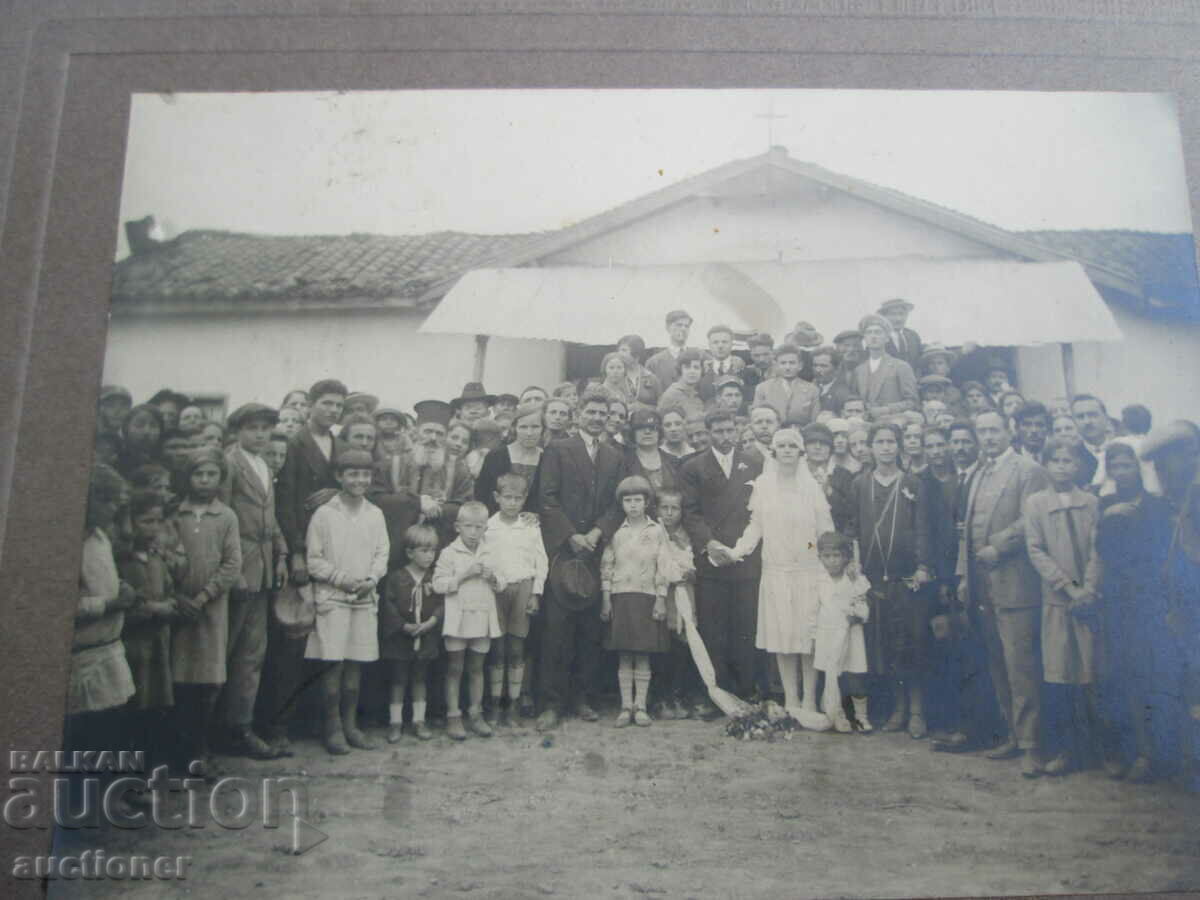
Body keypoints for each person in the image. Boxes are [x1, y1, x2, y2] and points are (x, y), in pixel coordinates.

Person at [957, 411, 1051, 777]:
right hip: (984, 587)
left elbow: (1031, 518)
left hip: (1016, 584)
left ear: (1009, 431)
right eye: (982, 431)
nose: (988, 437)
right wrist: (964, 576)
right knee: (997, 664)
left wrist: (1000, 546)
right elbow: (965, 532)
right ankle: (1014, 734)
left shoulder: (1028, 470)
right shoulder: (979, 472)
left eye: (994, 430)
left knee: (1022, 667)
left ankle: (1033, 746)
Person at [535, 386, 628, 730]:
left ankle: (583, 698)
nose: (597, 418)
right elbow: (546, 498)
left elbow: (616, 505)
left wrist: (596, 534)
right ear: (579, 414)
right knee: (557, 630)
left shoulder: (614, 456)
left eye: (602, 414)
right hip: (564, 549)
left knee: (590, 630)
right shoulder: (558, 449)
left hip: (595, 550)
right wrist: (571, 535)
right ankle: (551, 703)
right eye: (591, 412)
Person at [729, 428, 834, 727]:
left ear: (800, 452)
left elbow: (823, 530)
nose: (787, 450)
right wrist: (738, 550)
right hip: (775, 571)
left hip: (807, 571)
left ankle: (810, 699)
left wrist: (810, 551)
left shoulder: (811, 486)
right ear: (773, 452)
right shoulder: (763, 485)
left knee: (807, 638)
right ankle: (791, 699)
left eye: (792, 446)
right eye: (781, 446)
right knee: (782, 636)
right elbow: (756, 525)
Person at [268, 378, 349, 752]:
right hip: (303, 545)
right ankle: (279, 726)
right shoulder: (295, 443)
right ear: (311, 405)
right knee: (293, 640)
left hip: (334, 550)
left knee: (329, 639)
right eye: (327, 403)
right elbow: (284, 501)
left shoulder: (340, 444)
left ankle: (325, 723)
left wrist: (336, 491)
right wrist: (296, 552)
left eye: (338, 406)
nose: (333, 411)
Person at [1024, 437, 1105, 777]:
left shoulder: (1090, 502)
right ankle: (1064, 750)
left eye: (1068, 460)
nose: (1061, 466)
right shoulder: (1035, 503)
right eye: (1055, 460)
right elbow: (1036, 549)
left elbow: (1097, 548)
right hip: (1058, 601)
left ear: (1080, 466)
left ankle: (1100, 750)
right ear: (1046, 464)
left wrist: (1088, 587)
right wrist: (1068, 587)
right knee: (1060, 675)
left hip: (1090, 600)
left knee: (1092, 673)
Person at [846, 423, 934, 738]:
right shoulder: (861, 484)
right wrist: (854, 562)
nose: (885, 447)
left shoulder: (913, 483)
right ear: (870, 446)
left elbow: (923, 527)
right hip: (874, 579)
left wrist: (923, 565)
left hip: (906, 577)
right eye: (879, 442)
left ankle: (916, 711)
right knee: (886, 647)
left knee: (912, 643)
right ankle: (896, 708)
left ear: (899, 447)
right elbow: (853, 527)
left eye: (891, 442)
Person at [215, 403, 290, 760]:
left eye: (266, 428)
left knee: (252, 655)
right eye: (253, 428)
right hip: (238, 569)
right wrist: (234, 571)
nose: (260, 434)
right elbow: (224, 517)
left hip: (262, 569)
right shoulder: (230, 463)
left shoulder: (263, 464)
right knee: (223, 653)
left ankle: (240, 727)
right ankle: (209, 734)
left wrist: (282, 553)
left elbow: (270, 517)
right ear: (238, 430)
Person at [1096, 441, 1174, 782]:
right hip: (1117, 602)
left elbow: (1163, 553)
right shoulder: (1105, 503)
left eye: (1126, 465)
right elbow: (1101, 553)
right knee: (1123, 677)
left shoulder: (1157, 506)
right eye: (1115, 467)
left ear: (1137, 469)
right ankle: (1136, 752)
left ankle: (1163, 754)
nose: (1121, 472)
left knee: (1155, 676)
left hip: (1150, 601)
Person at [304, 448, 389, 754]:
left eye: (365, 474)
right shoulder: (325, 514)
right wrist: (342, 579)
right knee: (333, 665)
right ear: (339, 476)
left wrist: (371, 580)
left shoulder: (375, 514)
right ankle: (332, 727)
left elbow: (382, 555)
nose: (359, 480)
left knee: (356, 667)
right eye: (352, 474)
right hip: (332, 599)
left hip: (364, 599)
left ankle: (350, 724)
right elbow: (313, 561)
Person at [681, 409, 764, 701]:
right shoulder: (694, 467)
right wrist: (710, 544)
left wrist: (742, 548)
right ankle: (717, 693)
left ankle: (746, 689)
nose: (725, 437)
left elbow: (760, 511)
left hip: (745, 557)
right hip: (712, 559)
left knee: (745, 625)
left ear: (738, 431)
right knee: (713, 627)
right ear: (708, 433)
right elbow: (690, 513)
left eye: (730, 430)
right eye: (718, 431)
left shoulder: (755, 463)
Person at [66, 464, 137, 792]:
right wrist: (108, 604)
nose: (113, 510)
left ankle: (109, 792)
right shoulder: (66, 541)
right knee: (83, 732)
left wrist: (120, 588)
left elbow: (103, 579)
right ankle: (80, 800)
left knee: (113, 723)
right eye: (108, 502)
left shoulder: (99, 536)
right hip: (82, 656)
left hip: (109, 648)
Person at [172, 448, 243, 773]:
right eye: (198, 474)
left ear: (220, 478)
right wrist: (178, 598)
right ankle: (178, 751)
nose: (204, 480)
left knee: (208, 682)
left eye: (211, 474)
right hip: (177, 612)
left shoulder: (226, 516)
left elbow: (231, 564)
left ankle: (202, 749)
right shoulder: (176, 514)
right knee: (178, 679)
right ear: (188, 477)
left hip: (211, 611)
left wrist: (203, 598)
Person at [600, 475, 673, 726]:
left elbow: (663, 566)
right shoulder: (616, 533)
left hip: (647, 597)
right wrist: (606, 599)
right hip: (621, 596)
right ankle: (625, 706)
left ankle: (641, 706)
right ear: (621, 504)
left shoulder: (656, 531)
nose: (632, 505)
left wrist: (661, 599)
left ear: (646, 502)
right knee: (624, 654)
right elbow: (607, 565)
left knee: (642, 654)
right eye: (628, 500)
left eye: (637, 500)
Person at [119, 489, 179, 774]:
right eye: (146, 521)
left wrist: (169, 604)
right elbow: (127, 607)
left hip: (157, 645)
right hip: (134, 646)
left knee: (155, 707)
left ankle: (148, 770)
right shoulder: (124, 561)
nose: (153, 528)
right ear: (130, 522)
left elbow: (169, 589)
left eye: (157, 521)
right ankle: (129, 776)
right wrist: (155, 609)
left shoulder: (157, 558)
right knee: (133, 709)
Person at [433, 501, 504, 740]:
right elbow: (438, 584)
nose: (474, 532)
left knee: (476, 668)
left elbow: (502, 582)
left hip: (482, 617)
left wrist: (492, 577)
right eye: (469, 526)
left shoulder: (491, 550)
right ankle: (453, 716)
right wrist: (464, 575)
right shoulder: (449, 553)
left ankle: (476, 714)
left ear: (486, 528)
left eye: (479, 527)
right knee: (455, 668)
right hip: (457, 620)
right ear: (457, 527)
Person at [485, 472, 548, 725]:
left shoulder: (530, 527)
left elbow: (540, 560)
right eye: (507, 498)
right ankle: (495, 704)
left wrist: (536, 593)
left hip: (523, 588)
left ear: (524, 500)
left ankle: (513, 704)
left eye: (517, 498)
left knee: (516, 648)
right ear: (496, 497)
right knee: (497, 650)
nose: (512, 503)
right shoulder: (488, 527)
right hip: (496, 591)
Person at [380, 523, 443, 742]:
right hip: (401, 639)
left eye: (433, 551)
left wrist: (432, 622)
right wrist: (402, 626)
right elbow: (387, 605)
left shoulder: (436, 578)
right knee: (398, 680)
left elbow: (442, 603)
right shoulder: (397, 578)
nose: (429, 556)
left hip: (426, 636)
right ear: (409, 552)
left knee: (420, 679)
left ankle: (419, 721)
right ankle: (395, 723)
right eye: (424, 551)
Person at [387, 400, 474, 548]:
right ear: (416, 431)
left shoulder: (458, 469)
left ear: (446, 436)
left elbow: (466, 506)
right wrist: (417, 503)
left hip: (439, 544)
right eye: (427, 431)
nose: (433, 438)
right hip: (397, 541)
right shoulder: (394, 463)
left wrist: (436, 508)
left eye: (439, 433)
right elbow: (379, 499)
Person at [812, 531, 872, 733]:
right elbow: (812, 610)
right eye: (826, 556)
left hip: (850, 633)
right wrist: (812, 635)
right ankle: (836, 713)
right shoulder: (818, 581)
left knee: (855, 676)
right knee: (832, 677)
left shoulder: (854, 579)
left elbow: (862, 604)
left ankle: (861, 716)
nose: (832, 561)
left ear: (846, 557)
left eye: (836, 556)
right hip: (827, 634)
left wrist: (858, 616)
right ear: (820, 557)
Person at [654, 488, 706, 719]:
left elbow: (693, 565)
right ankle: (660, 697)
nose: (669, 513)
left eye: (674, 508)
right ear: (657, 509)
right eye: (664, 508)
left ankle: (678, 694)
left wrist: (690, 574)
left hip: (684, 593)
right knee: (661, 642)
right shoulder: (653, 532)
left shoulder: (687, 534)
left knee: (682, 640)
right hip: (660, 593)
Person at [474, 401, 544, 514]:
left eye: (535, 427)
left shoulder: (546, 459)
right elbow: (481, 494)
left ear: (543, 429)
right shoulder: (496, 456)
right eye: (523, 427)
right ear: (514, 428)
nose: (529, 433)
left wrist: (536, 515)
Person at [852, 315, 919, 420]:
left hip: (892, 423)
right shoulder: (859, 370)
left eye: (878, 332)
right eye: (869, 332)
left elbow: (913, 402)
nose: (873, 336)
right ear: (864, 338)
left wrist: (886, 409)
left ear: (887, 338)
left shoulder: (901, 366)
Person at [753, 343, 821, 428]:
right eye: (783, 363)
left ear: (800, 365)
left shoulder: (812, 390)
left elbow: (814, 422)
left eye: (792, 363)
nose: (787, 367)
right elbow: (756, 418)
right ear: (776, 365)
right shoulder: (762, 388)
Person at [624, 408, 680, 510]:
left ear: (659, 432)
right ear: (633, 433)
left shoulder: (674, 461)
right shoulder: (623, 462)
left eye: (652, 427)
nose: (647, 431)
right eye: (641, 428)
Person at [644, 309, 696, 393]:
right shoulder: (654, 362)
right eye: (679, 325)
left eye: (687, 326)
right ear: (668, 328)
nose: (683, 329)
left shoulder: (698, 357)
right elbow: (648, 394)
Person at [1072, 393, 1112, 491]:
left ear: (1106, 418)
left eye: (1093, 415)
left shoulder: (1121, 448)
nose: (1087, 421)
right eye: (1080, 417)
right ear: (1074, 422)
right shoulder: (1071, 455)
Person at [657, 348, 707, 424]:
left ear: (702, 371)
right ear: (680, 370)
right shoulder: (671, 395)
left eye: (696, 368)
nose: (692, 371)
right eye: (687, 367)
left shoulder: (697, 395)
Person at [698, 324, 745, 404]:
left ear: (732, 344)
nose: (720, 346)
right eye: (715, 342)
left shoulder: (742, 369)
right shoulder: (701, 371)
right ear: (709, 345)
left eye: (724, 342)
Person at [117, 404, 165, 477]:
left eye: (153, 426)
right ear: (126, 428)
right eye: (139, 425)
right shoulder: (115, 460)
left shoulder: (165, 461)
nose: (147, 431)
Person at [616, 334, 662, 408]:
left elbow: (661, 407)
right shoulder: (615, 376)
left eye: (624, 350)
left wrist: (641, 407)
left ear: (636, 353)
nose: (619, 354)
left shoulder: (652, 379)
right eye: (619, 350)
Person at [879, 298, 923, 371]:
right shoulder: (879, 337)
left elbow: (919, 362)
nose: (898, 319)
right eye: (893, 314)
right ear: (884, 317)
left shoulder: (913, 336)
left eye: (901, 314)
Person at [812, 345, 855, 415]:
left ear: (837, 369)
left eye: (823, 366)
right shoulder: (810, 386)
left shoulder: (843, 394)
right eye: (815, 365)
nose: (818, 370)